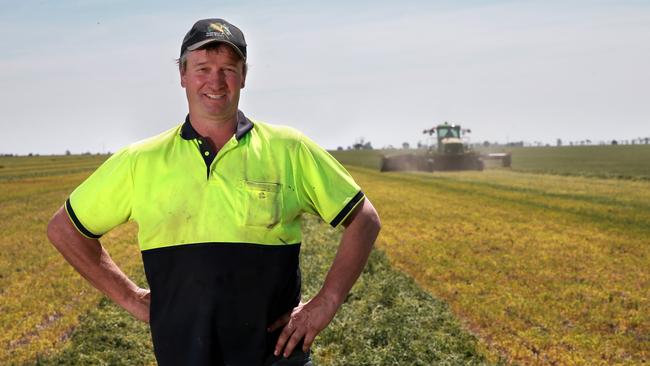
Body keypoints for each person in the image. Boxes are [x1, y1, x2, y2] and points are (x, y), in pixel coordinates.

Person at [47, 18, 380, 366]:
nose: (216, 81)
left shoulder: (289, 150)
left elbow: (364, 220)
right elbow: (64, 230)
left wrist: (326, 302)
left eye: (228, 69)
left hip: (277, 358)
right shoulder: (139, 161)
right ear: (183, 75)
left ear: (244, 76)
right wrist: (130, 297)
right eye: (203, 68)